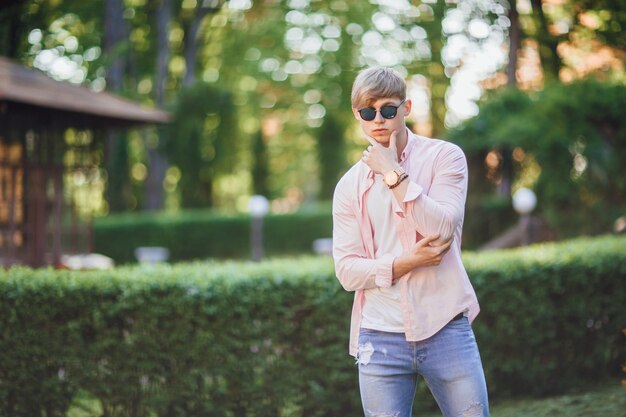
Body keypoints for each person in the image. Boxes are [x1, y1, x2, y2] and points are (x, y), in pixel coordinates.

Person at [332, 67, 490, 417]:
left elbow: (443, 228)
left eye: (388, 109)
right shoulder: (348, 187)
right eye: (367, 112)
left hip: (444, 326)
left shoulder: (444, 158)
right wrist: (410, 261)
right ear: (356, 115)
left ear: (407, 108)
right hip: (379, 336)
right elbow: (346, 271)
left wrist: (393, 174)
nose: (379, 120)